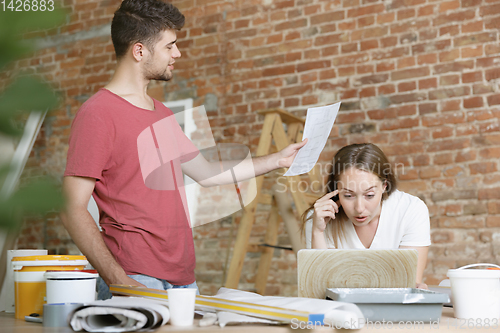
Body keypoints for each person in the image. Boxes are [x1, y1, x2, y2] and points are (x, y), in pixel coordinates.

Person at [60, 0, 306, 299]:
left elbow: (206, 172)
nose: (177, 54)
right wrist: (118, 279)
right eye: (169, 46)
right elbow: (71, 208)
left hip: (183, 280)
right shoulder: (98, 114)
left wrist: (276, 160)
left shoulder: (161, 113)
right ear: (139, 51)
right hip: (134, 276)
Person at [302, 143, 430, 289]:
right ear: (336, 189)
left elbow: (408, 285)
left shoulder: (410, 210)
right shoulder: (319, 218)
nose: (359, 208)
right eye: (348, 195)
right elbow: (320, 289)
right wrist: (318, 232)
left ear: (384, 185)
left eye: (369, 195)